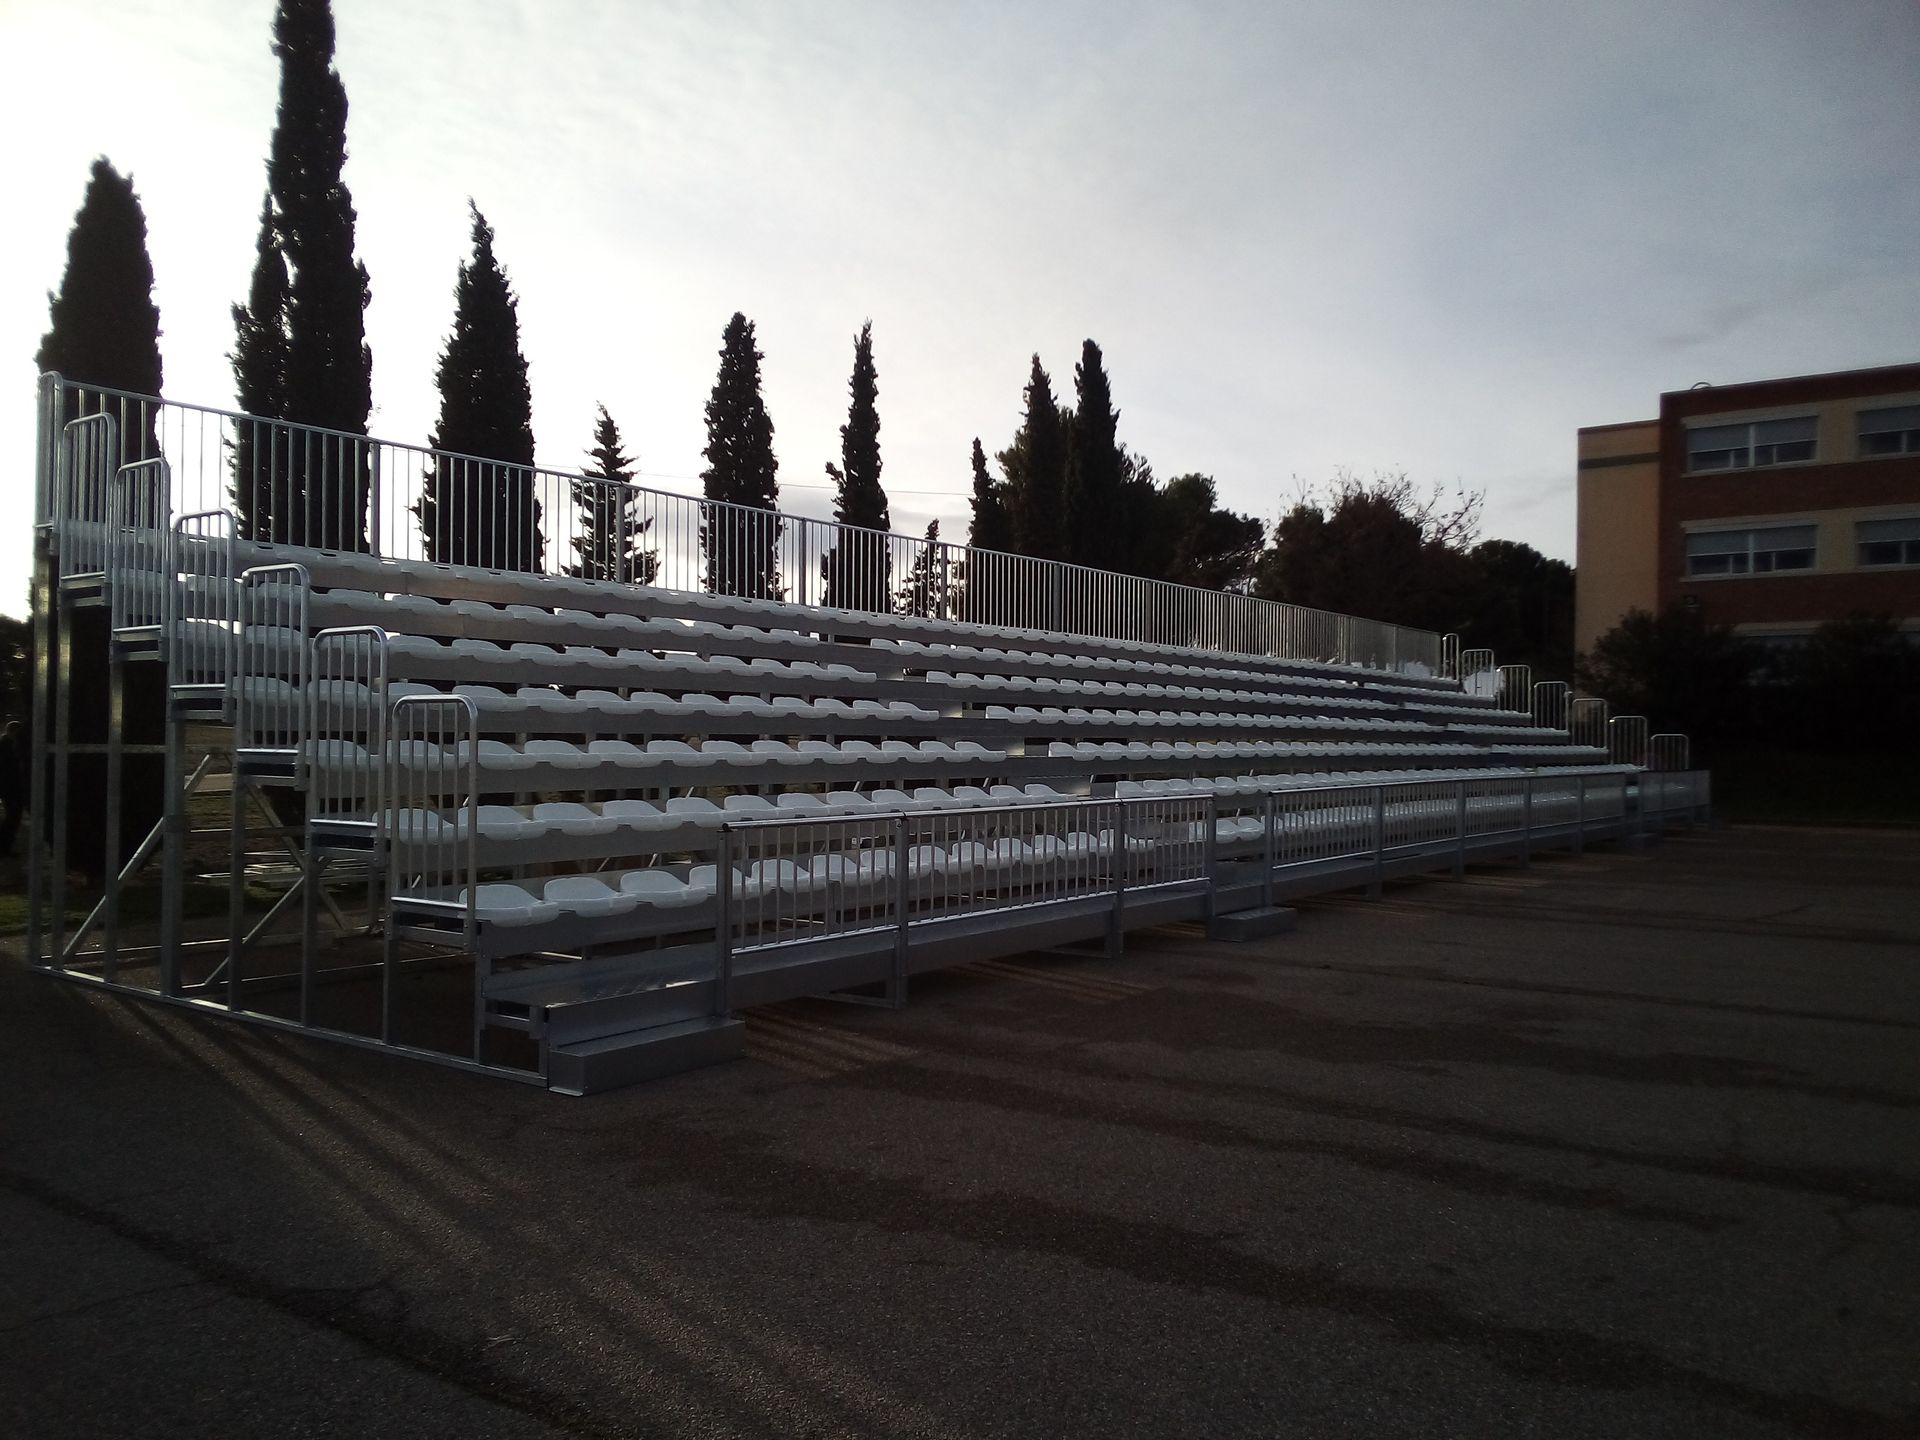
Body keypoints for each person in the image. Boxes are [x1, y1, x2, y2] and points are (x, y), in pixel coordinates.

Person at [0, 719, 24, 857]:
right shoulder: (8, 746)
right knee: (13, 816)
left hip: (8, 786)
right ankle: (4, 847)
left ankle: (5, 846)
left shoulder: (5, 744)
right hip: (10, 787)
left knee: (12, 817)